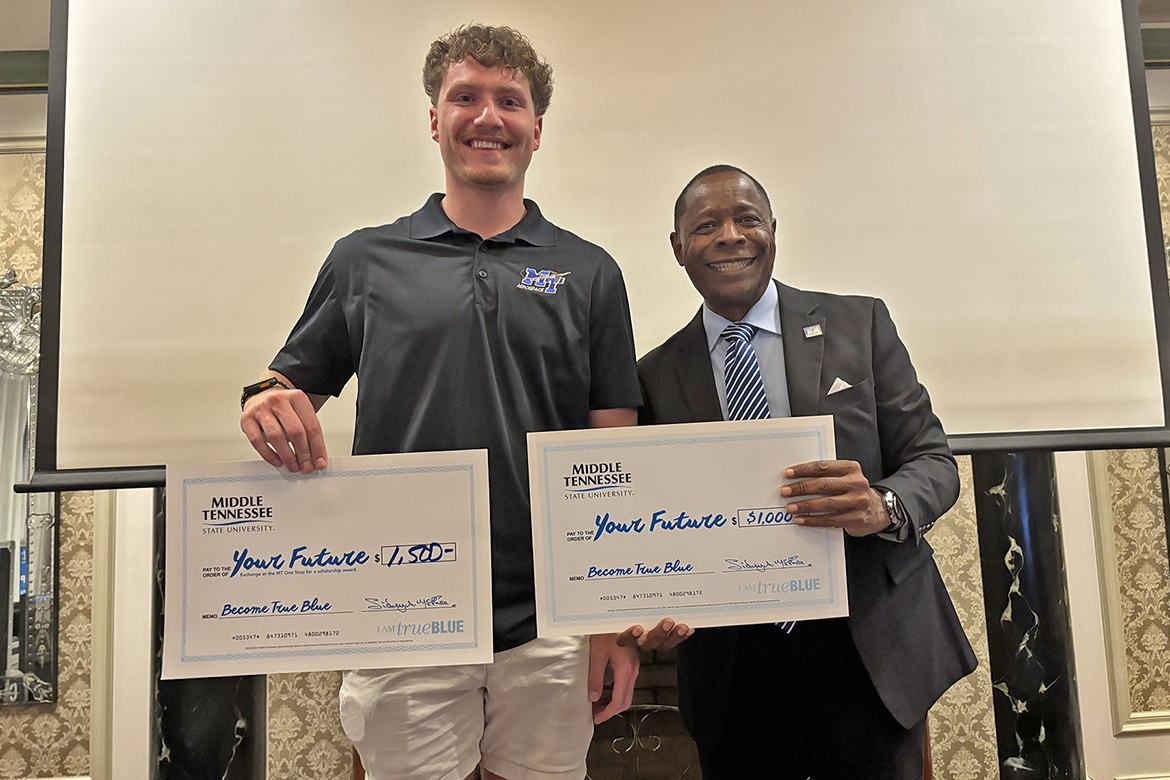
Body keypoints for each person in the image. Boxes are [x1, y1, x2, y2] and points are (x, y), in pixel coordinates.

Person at [238, 25, 685, 780]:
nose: (488, 117)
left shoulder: (589, 271)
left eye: (509, 101)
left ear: (536, 129)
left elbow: (613, 456)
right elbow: (286, 387)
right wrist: (263, 401)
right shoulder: (363, 259)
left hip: (551, 624)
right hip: (401, 614)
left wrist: (614, 623)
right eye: (466, 97)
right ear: (435, 118)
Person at [637, 165, 977, 779]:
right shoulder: (654, 376)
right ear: (678, 248)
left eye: (746, 219)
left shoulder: (860, 325)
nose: (729, 236)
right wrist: (652, 597)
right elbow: (654, 518)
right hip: (735, 663)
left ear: (772, 230)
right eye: (706, 225)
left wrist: (883, 504)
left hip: (867, 647)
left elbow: (932, 462)